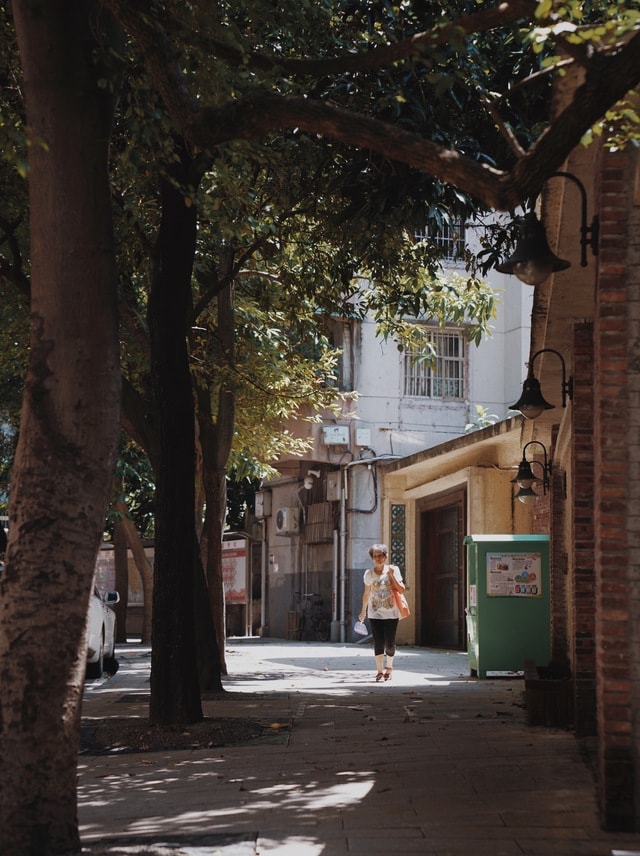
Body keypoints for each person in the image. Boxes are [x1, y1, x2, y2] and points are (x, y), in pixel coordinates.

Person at [358, 543, 406, 682]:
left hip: (392, 612)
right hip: (375, 613)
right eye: (375, 556)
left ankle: (389, 668)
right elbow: (366, 593)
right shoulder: (369, 574)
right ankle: (379, 671)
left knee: (389, 643)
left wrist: (391, 576)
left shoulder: (393, 570)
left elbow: (401, 589)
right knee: (378, 642)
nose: (378, 558)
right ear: (372, 558)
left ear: (385, 557)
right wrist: (363, 611)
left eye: (380, 556)